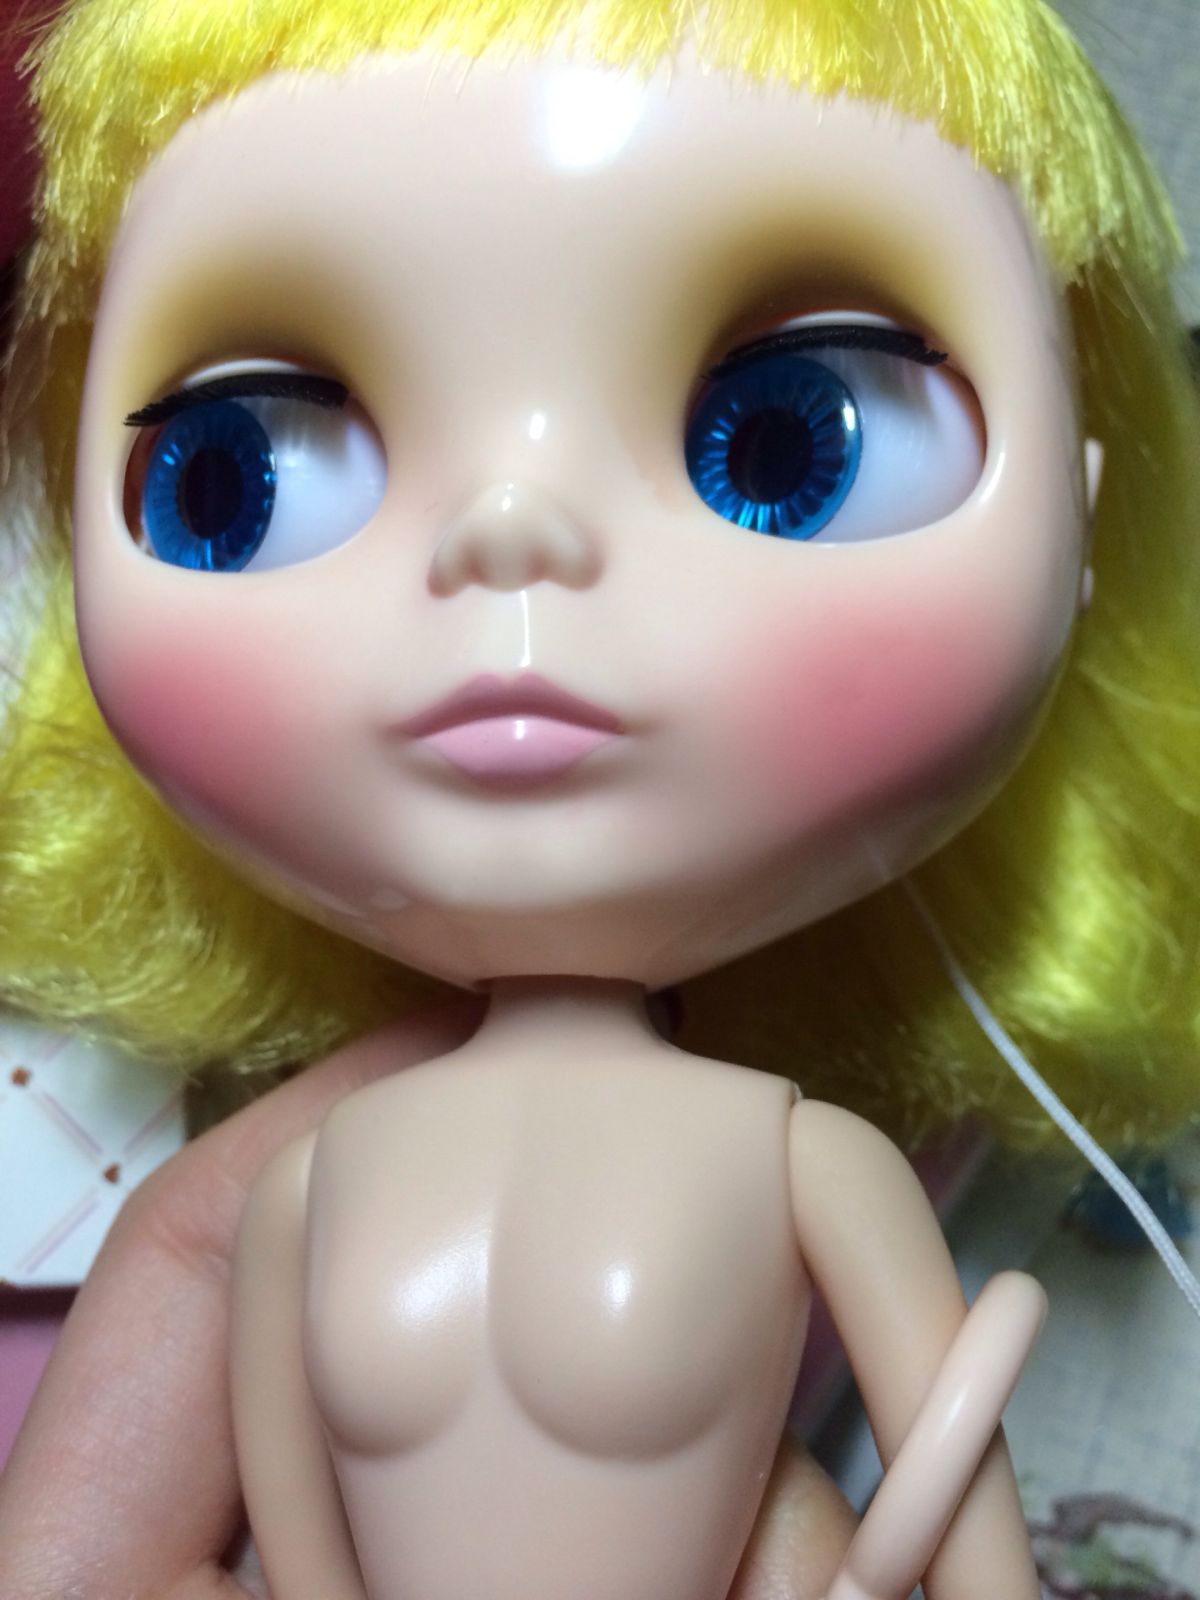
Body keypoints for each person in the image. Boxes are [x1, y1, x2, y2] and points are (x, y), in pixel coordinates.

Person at [0, 1, 1196, 1597]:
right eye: (239, 472)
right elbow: (295, 1544)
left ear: (1082, 523)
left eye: (784, 442)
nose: (511, 533)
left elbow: (968, 1519)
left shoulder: (803, 1160)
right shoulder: (296, 1193)